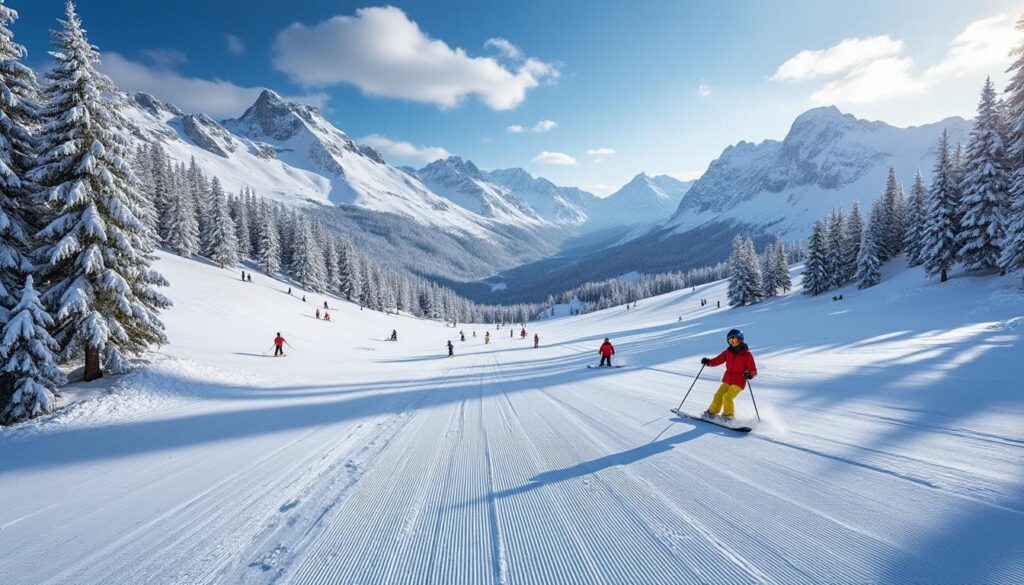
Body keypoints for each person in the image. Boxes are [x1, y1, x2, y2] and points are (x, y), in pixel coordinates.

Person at [700, 328, 757, 422]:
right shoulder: (728, 352)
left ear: (741, 340)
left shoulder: (747, 354)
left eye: (735, 340)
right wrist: (708, 362)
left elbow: (753, 370)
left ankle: (728, 416)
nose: (733, 343)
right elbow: (717, 360)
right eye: (731, 341)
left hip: (739, 381)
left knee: (727, 396)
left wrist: (749, 374)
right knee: (718, 395)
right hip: (727, 380)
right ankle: (712, 412)